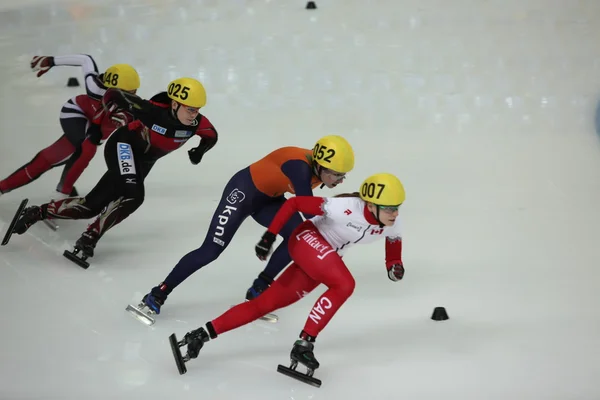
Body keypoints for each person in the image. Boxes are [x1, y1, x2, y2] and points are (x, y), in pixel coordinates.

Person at [168, 173, 406, 383]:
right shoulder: (343, 207)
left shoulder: (393, 222)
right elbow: (293, 204)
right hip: (307, 239)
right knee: (344, 284)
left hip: (323, 257)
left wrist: (394, 264)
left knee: (264, 304)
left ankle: (200, 335)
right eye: (388, 208)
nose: (394, 213)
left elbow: (394, 242)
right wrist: (269, 237)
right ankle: (304, 345)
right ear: (370, 204)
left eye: (396, 207)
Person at [127, 135, 355, 325]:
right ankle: (157, 293)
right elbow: (309, 209)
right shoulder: (300, 167)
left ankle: (259, 288)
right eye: (336, 174)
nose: (340, 180)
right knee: (211, 250)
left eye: (343, 175)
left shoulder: (317, 168)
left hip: (269, 199)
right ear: (319, 165)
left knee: (297, 235)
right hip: (243, 192)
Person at [7, 77, 218, 267]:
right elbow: (112, 94)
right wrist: (117, 114)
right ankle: (90, 237)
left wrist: (199, 152)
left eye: (197, 109)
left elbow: (212, 136)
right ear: (174, 103)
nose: (195, 115)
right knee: (134, 195)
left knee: (91, 206)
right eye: (190, 109)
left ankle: (38, 212)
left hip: (142, 162)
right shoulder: (150, 109)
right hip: (123, 146)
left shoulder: (198, 123)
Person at [0, 54, 140, 198]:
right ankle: (62, 194)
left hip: (92, 130)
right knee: (88, 148)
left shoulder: (132, 108)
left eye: (132, 93)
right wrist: (51, 61)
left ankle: (3, 186)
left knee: (47, 159)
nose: (127, 98)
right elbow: (86, 60)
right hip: (76, 113)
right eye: (122, 94)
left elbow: (86, 60)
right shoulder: (95, 89)